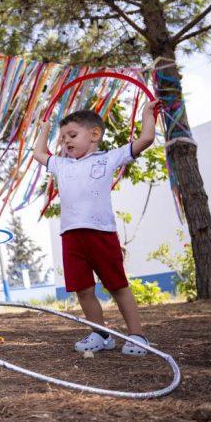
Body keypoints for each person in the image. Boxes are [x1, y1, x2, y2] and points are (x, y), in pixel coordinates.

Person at [34, 103, 158, 356]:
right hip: (71, 236)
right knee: (83, 289)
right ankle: (100, 334)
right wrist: (44, 130)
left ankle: (137, 335)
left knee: (117, 285)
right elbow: (38, 153)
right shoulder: (61, 164)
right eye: (63, 137)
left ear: (94, 135)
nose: (66, 141)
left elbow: (146, 138)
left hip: (100, 233)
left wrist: (147, 114)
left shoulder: (107, 157)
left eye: (72, 135)